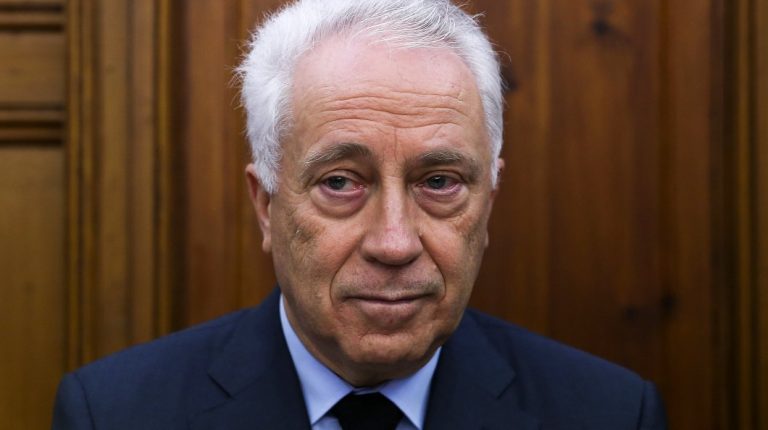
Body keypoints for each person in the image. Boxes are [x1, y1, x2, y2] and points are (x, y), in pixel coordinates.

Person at [52, 0, 667, 429]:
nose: (394, 243)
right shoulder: (114, 414)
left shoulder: (611, 414)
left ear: (488, 205)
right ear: (265, 205)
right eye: (341, 182)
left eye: (439, 182)